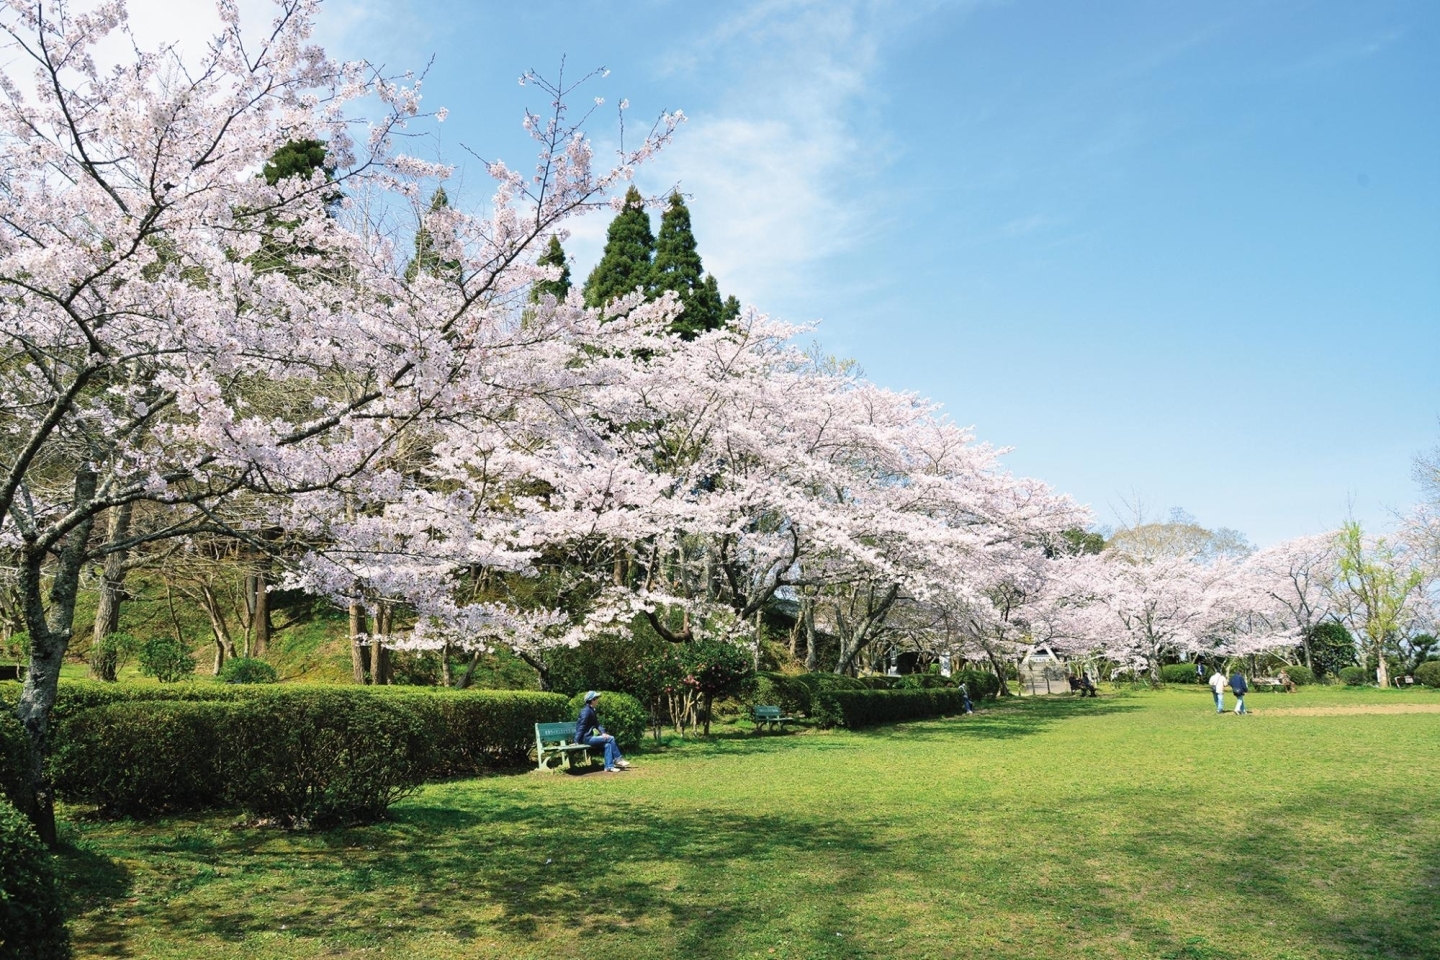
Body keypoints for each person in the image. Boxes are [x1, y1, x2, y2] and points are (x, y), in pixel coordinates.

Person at [575, 691, 630, 772]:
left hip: (589, 737)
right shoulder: (586, 711)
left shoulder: (591, 710)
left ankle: (609, 767)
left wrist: (603, 733)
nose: (598, 700)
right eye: (596, 698)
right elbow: (581, 726)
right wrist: (576, 741)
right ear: (592, 700)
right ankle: (618, 759)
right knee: (611, 738)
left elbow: (597, 724)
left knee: (607, 745)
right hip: (586, 738)